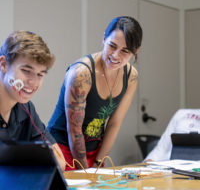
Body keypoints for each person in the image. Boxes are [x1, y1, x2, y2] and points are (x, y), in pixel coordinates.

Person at [48, 16, 143, 170]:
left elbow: (114, 123)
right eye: (112, 46)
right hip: (62, 148)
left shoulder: (131, 76)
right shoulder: (81, 74)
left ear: (135, 51)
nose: (116, 55)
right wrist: (86, 171)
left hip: (94, 149)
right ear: (104, 38)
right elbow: (74, 130)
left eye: (125, 51)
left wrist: (99, 163)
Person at [0, 30, 65, 171]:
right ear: (3, 64)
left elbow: (59, 162)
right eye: (26, 70)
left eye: (40, 74)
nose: (33, 82)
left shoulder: (25, 108)